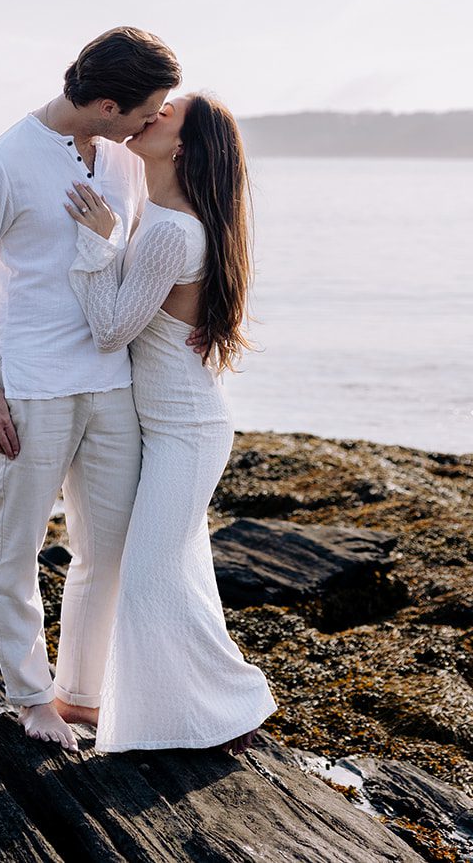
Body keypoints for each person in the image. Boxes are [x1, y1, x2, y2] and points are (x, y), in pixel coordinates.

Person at [0, 27, 180, 750]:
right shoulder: (3, 164)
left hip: (113, 385)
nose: (150, 123)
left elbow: (126, 267)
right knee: (17, 547)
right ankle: (33, 699)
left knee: (109, 551)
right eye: (143, 111)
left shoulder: (126, 162)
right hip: (30, 387)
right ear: (104, 103)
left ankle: (83, 694)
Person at [63, 91, 277, 756]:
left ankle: (234, 706)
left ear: (182, 148)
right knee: (177, 573)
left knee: (151, 576)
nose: (148, 116)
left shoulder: (170, 231)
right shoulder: (157, 213)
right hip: (168, 427)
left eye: (165, 115)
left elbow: (109, 329)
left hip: (186, 429)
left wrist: (95, 244)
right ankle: (189, 714)